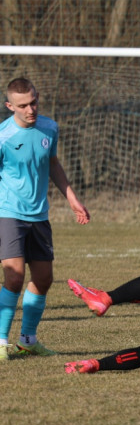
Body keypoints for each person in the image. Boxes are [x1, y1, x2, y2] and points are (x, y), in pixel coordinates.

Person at [0, 77, 91, 360]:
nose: (31, 109)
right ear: (9, 106)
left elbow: (53, 164)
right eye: (23, 105)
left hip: (39, 215)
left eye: (34, 102)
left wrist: (72, 198)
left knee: (44, 278)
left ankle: (27, 340)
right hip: (9, 212)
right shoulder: (3, 136)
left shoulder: (49, 128)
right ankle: (1, 342)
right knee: (14, 278)